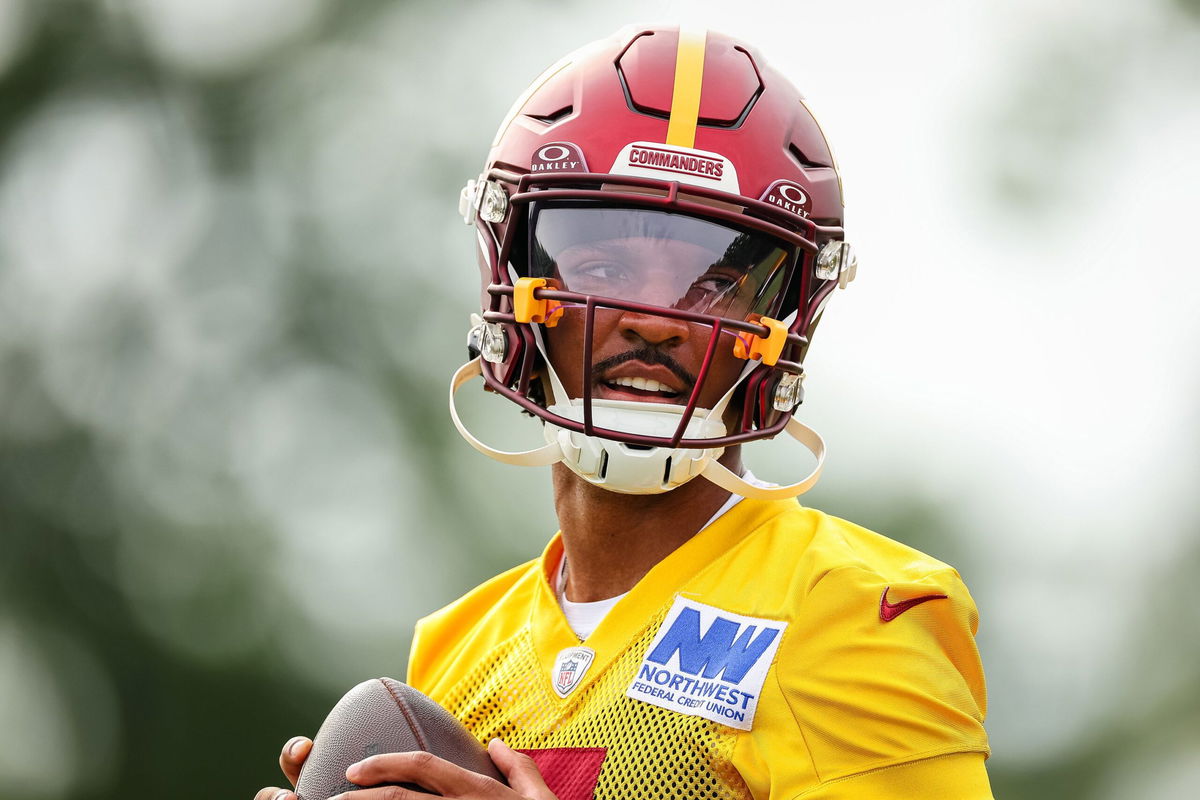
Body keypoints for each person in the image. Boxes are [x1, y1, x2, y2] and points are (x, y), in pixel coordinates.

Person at [255, 24, 992, 800]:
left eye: (714, 284)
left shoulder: (849, 611)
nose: (657, 319)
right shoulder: (458, 650)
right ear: (517, 296)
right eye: (604, 265)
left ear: (782, 325)